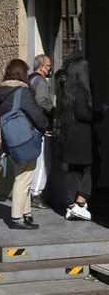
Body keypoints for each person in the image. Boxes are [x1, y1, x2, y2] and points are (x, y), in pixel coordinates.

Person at [0, 59, 48, 229]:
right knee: (24, 179)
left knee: (22, 175)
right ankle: (17, 218)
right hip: (26, 140)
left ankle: (26, 213)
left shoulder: (1, 93)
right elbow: (37, 116)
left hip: (11, 141)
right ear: (22, 74)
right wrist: (45, 124)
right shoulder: (21, 92)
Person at [55, 56, 94, 221]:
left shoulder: (64, 88)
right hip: (81, 137)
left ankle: (70, 205)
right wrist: (96, 114)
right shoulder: (81, 90)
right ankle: (80, 203)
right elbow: (83, 115)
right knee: (86, 169)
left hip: (68, 135)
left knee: (72, 171)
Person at [28, 54, 54, 209]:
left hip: (29, 128)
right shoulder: (41, 82)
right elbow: (43, 102)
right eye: (49, 66)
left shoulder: (29, 79)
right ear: (41, 67)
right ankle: (36, 194)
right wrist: (53, 111)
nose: (50, 69)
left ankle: (31, 192)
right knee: (43, 162)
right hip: (40, 127)